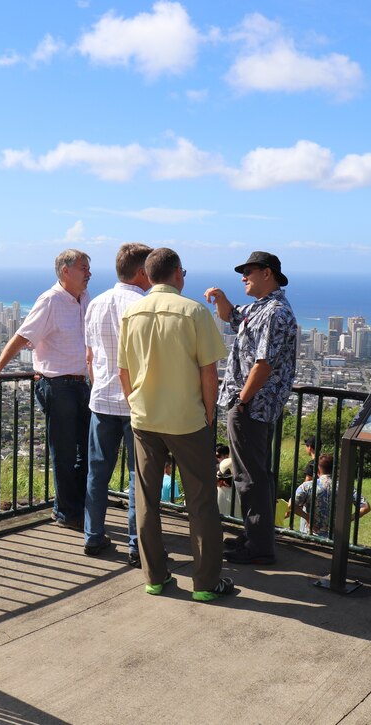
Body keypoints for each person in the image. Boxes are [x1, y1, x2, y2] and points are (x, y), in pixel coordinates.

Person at [118, 248, 234, 601]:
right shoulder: (193, 312)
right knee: (200, 502)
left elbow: (123, 371)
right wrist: (208, 414)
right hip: (187, 420)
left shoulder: (131, 312)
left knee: (146, 499)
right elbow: (209, 372)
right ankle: (206, 583)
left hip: (145, 419)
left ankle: (155, 577)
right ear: (176, 274)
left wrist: (135, 405)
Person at [0, 250, 92, 529]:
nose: (89, 273)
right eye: (83, 268)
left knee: (86, 452)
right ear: (65, 271)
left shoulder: (85, 299)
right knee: (65, 452)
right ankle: (67, 512)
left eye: (89, 268)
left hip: (82, 384)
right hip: (57, 384)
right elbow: (22, 336)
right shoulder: (51, 300)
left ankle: (77, 506)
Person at [204, 251, 298, 566]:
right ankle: (255, 535)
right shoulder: (259, 309)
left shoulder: (274, 313)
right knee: (251, 472)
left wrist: (242, 400)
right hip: (251, 404)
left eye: (249, 271)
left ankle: (259, 547)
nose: (244, 276)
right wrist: (221, 299)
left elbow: (264, 363)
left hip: (252, 407)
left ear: (267, 273)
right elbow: (232, 316)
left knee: (249, 476)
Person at [82, 244, 153, 562]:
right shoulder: (146, 305)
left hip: (101, 402)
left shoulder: (95, 303)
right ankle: (137, 546)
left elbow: (90, 357)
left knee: (97, 474)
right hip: (137, 405)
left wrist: (100, 389)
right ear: (142, 272)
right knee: (137, 476)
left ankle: (93, 536)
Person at [287, 453, 370, 537]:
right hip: (336, 538)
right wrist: (348, 520)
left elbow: (291, 505)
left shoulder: (307, 486)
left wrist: (307, 518)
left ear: (318, 469)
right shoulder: (345, 487)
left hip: (311, 535)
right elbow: (365, 507)